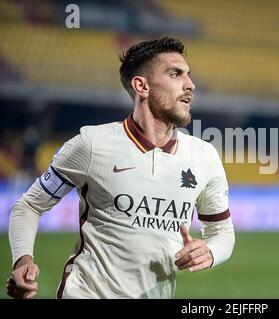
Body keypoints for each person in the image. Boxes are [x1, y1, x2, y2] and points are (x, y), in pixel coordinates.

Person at [6, 37, 235, 299]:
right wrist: (22, 260)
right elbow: (30, 205)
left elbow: (222, 233)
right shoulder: (92, 144)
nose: (190, 85)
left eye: (189, 75)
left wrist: (210, 252)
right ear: (142, 86)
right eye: (175, 74)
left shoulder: (204, 156)